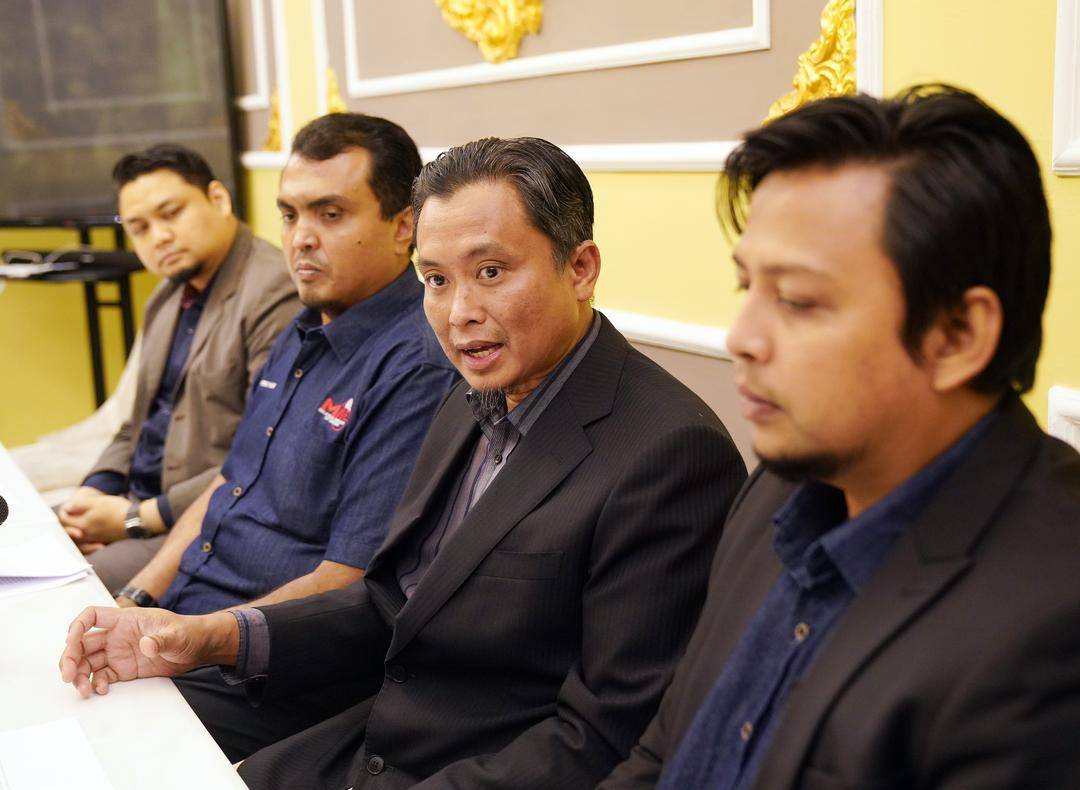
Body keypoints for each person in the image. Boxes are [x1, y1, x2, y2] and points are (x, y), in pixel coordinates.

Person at [59, 136, 748, 788]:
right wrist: (204, 637)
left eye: (490, 272)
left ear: (581, 267)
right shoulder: (472, 397)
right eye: (436, 280)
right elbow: (391, 606)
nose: (458, 313)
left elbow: (603, 738)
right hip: (373, 740)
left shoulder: (670, 453)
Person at [599, 85, 1080, 790]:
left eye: (795, 300)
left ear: (958, 335)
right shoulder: (776, 490)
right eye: (746, 290)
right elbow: (664, 751)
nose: (741, 338)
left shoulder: (1051, 627)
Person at [112, 113, 460, 616]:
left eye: (331, 214)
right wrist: (135, 599)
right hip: (189, 607)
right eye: (291, 215)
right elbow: (227, 483)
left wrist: (185, 641)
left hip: (258, 654)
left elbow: (347, 579)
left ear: (405, 225)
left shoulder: (417, 365)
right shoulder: (303, 327)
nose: (300, 239)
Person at [58, 144, 299, 593]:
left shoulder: (274, 291)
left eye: (171, 213)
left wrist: (131, 520)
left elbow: (263, 451)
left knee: (63, 590)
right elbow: (136, 425)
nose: (159, 237)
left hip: (197, 522)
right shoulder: (166, 298)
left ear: (219, 200)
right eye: (140, 228)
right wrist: (94, 491)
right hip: (135, 507)